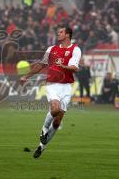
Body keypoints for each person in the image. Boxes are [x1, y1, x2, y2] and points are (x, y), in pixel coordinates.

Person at [19, 27, 81, 158]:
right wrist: (26, 76)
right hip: (52, 84)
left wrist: (66, 67)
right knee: (55, 108)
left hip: (66, 87)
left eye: (61, 32)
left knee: (57, 122)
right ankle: (44, 131)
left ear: (68, 35)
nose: (58, 34)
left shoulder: (75, 49)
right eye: (58, 32)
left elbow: (75, 67)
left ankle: (42, 147)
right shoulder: (51, 49)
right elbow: (41, 64)